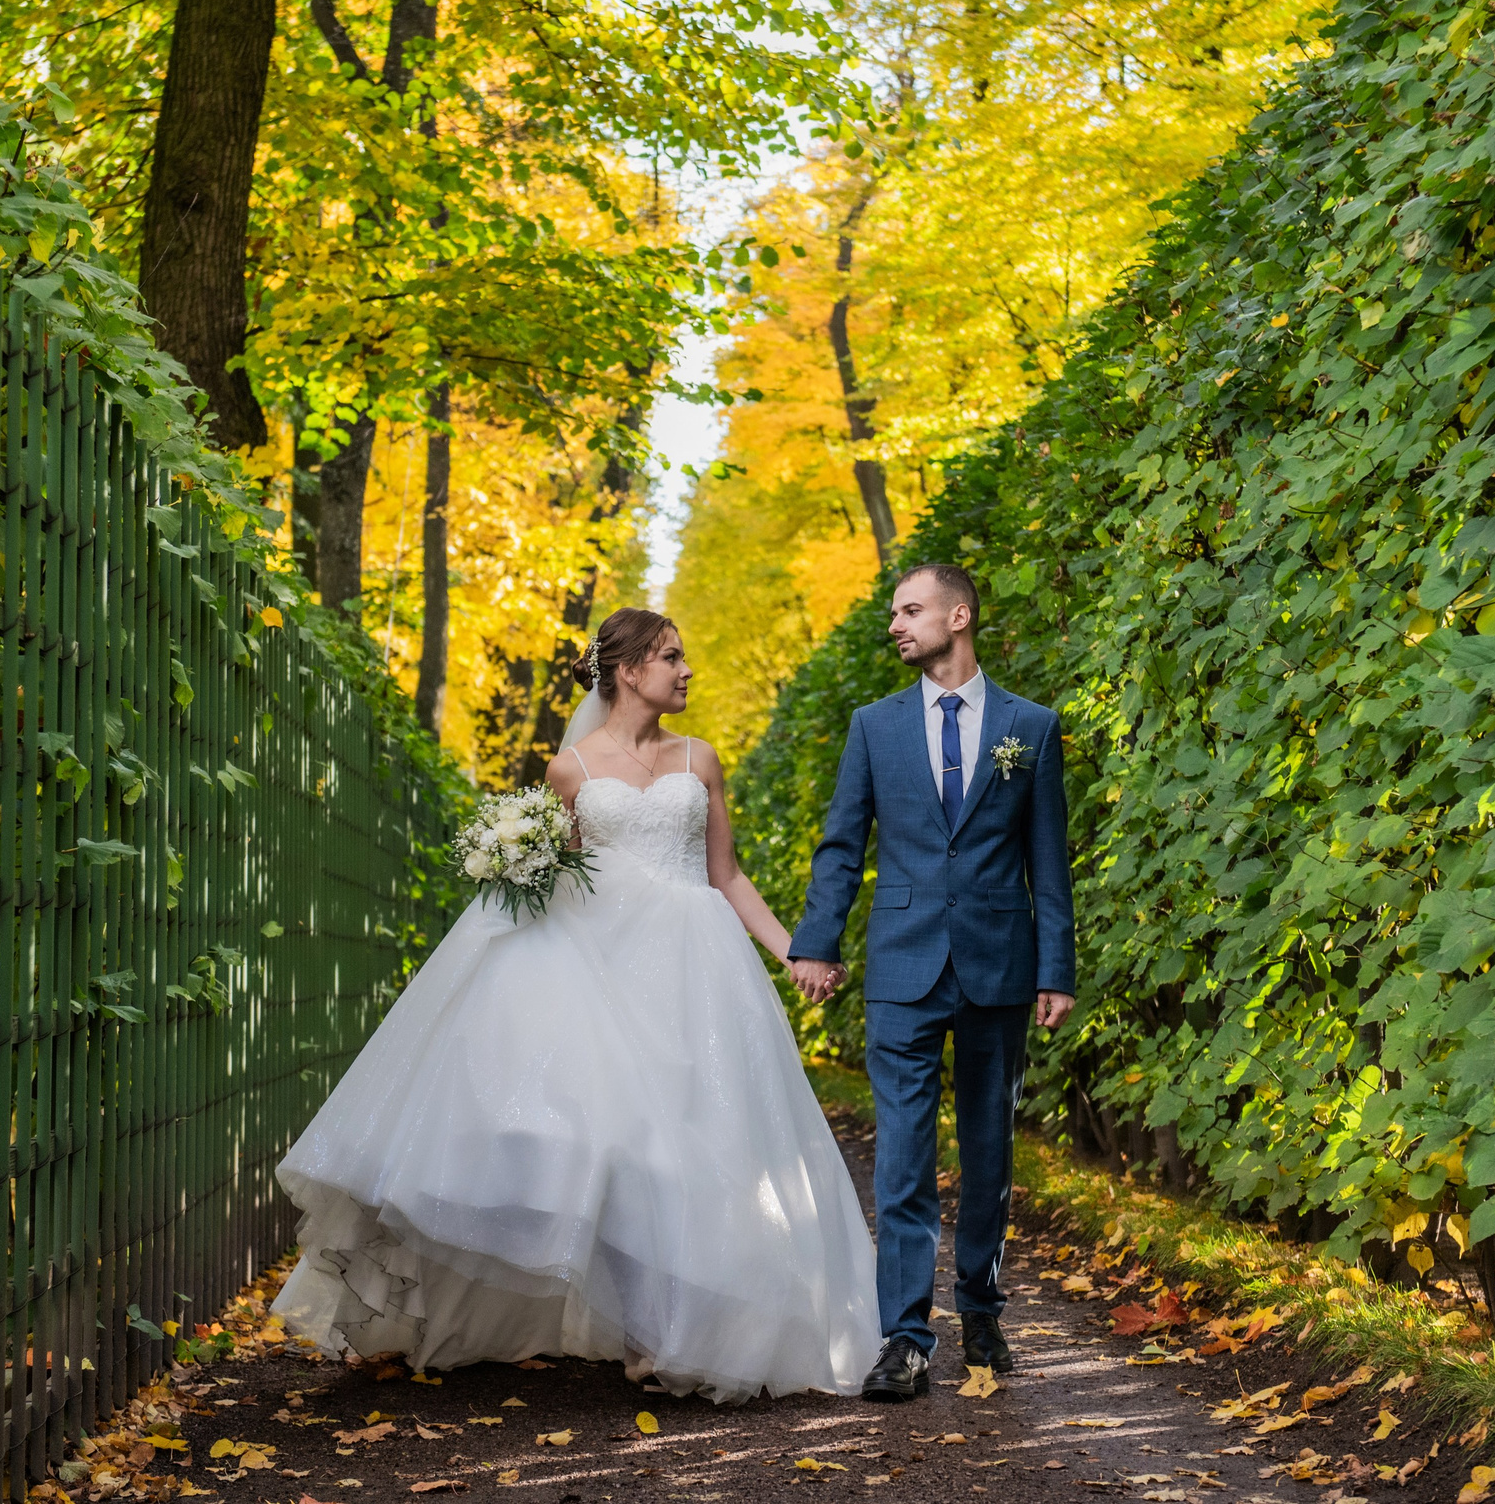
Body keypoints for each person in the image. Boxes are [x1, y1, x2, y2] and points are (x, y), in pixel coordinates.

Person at [270, 608, 879, 1402]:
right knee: (624, 1146)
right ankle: (644, 1322)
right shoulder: (571, 771)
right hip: (602, 974)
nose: (686, 669)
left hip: (698, 972)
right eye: (672, 655)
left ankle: (679, 1326)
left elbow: (725, 875)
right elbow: (553, 880)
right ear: (628, 671)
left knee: (703, 1137)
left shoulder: (701, 759)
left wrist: (793, 951)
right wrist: (511, 870)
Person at [788, 563, 1077, 1401]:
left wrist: (1055, 968)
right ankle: (907, 1338)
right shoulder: (872, 726)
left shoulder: (1034, 726)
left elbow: (1047, 863)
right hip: (903, 966)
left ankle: (983, 1309)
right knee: (904, 1161)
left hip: (1000, 966)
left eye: (909, 610)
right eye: (892, 613)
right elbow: (842, 844)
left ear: (960, 615)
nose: (896, 626)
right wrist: (818, 939)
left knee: (989, 1157)